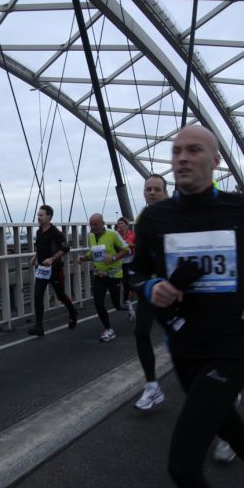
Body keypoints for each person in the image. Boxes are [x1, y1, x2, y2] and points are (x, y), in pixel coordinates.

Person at [132, 125, 244, 488]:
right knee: (227, 423)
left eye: (194, 150)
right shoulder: (154, 218)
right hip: (183, 346)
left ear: (216, 159)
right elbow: (137, 270)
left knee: (183, 466)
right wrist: (152, 287)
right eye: (176, 151)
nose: (182, 158)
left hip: (232, 346)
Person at [131, 174, 170, 410]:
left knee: (187, 339)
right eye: (148, 189)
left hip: (177, 287)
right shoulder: (143, 220)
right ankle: (152, 386)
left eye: (157, 189)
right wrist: (139, 281)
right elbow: (141, 258)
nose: (152, 193)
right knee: (141, 332)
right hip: (152, 286)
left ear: (166, 192)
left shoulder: (178, 215)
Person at [77, 213, 129, 342]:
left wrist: (113, 257)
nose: (93, 227)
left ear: (103, 223)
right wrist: (84, 258)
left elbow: (126, 250)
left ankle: (128, 307)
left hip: (114, 275)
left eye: (96, 224)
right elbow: (93, 253)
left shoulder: (113, 234)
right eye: (91, 224)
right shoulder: (91, 236)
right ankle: (108, 329)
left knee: (117, 305)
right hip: (99, 275)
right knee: (98, 302)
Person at [28, 205, 78, 336]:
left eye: (41, 215)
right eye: (38, 215)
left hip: (55, 269)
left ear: (48, 217)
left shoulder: (55, 232)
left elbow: (66, 248)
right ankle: (39, 327)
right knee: (38, 296)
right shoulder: (38, 232)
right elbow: (41, 248)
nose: (39, 217)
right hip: (42, 269)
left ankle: (72, 312)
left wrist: (52, 258)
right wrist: (35, 257)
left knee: (60, 295)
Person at [115, 216, 136, 323]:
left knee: (129, 284)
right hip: (119, 262)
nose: (120, 225)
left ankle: (129, 303)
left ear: (127, 225)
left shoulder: (132, 235)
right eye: (119, 223)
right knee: (124, 284)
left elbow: (136, 245)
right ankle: (127, 303)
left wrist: (132, 245)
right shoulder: (115, 235)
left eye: (122, 223)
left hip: (130, 262)